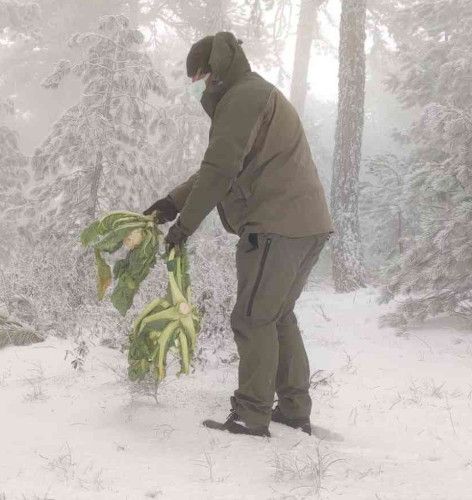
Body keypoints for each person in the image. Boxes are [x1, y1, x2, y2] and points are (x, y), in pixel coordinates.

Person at [144, 33, 333, 437]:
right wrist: (170, 203)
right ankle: (295, 410)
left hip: (276, 226)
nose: (202, 86)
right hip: (305, 224)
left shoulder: (242, 97)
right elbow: (219, 167)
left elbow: (219, 170)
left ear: (215, 70)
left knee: (251, 318)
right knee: (277, 316)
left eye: (202, 77)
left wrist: (183, 228)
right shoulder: (253, 93)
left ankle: (251, 415)